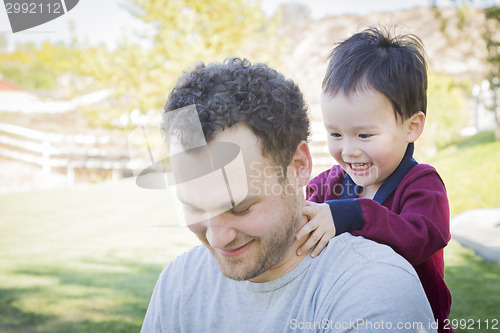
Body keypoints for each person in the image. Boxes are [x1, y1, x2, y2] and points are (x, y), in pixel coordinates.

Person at [140, 58, 436, 332]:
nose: (217, 240)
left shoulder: (375, 291)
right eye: (193, 207)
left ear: (298, 167)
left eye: (241, 208)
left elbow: (422, 233)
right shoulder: (177, 284)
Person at [295, 27, 452, 332]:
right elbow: (302, 230)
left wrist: (351, 214)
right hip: (343, 316)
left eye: (364, 135)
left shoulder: (423, 186)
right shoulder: (329, 186)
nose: (349, 150)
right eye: (335, 134)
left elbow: (418, 241)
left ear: (412, 127)